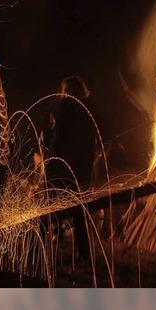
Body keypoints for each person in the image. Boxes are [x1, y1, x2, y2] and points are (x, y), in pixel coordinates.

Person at [43, 75, 97, 259]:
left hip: (64, 167)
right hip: (74, 168)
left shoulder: (65, 109)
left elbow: (59, 139)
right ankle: (82, 252)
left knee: (52, 208)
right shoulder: (83, 112)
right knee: (76, 210)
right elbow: (90, 145)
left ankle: (39, 246)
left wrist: (51, 163)